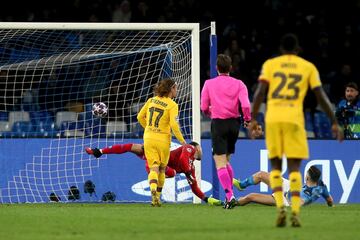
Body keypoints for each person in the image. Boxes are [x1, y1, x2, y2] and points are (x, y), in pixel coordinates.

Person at [249, 33, 343, 227]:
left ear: (281, 49)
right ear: (297, 48)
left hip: (274, 119)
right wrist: (334, 121)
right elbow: (321, 97)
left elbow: (259, 93)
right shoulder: (307, 67)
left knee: (275, 166)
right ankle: (295, 212)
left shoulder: (270, 65)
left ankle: (281, 209)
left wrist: (252, 119)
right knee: (294, 169)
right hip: (294, 120)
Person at [85, 142, 222, 206]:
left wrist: (207, 199)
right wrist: (187, 173)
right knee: (131, 147)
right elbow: (182, 159)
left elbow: (194, 188)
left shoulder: (191, 168)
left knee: (171, 171)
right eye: (201, 148)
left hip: (156, 165)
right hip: (158, 158)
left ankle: (155, 193)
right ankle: (100, 151)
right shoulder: (190, 147)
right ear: (197, 147)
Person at [201, 54, 251, 209]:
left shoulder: (209, 84)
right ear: (230, 68)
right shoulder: (239, 84)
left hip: (219, 123)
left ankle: (230, 197)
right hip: (234, 124)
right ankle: (232, 192)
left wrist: (211, 112)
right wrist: (247, 119)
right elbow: (246, 105)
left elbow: (203, 107)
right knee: (226, 160)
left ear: (216, 68)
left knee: (220, 162)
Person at [137, 78, 186, 206]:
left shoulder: (151, 100)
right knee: (162, 169)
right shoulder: (172, 105)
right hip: (163, 140)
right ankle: (157, 197)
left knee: (153, 167)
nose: (177, 90)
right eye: (175, 88)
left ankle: (152, 190)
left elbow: (139, 117)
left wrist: (148, 128)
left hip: (148, 137)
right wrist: (182, 141)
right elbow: (174, 125)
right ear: (171, 89)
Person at [232, 166, 334, 207]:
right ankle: (241, 185)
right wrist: (330, 205)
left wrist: (287, 195)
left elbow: (298, 203)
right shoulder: (321, 186)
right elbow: (330, 200)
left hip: (284, 198)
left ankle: (231, 203)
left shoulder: (307, 194)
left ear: (308, 177)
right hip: (290, 186)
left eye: (306, 173)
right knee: (261, 175)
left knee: (251, 197)